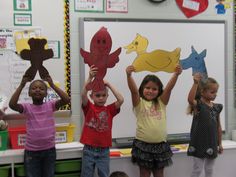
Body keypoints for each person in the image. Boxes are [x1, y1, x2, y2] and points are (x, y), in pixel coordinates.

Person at [126, 64, 182, 177]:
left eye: (154, 89)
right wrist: (128, 75)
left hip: (160, 145)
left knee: (159, 174)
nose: (150, 91)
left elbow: (169, 88)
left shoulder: (161, 102)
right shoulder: (139, 103)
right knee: (144, 174)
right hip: (143, 145)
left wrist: (176, 74)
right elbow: (134, 92)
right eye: (147, 88)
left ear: (159, 91)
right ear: (142, 89)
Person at [8, 75, 70, 177]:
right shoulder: (27, 107)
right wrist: (21, 85)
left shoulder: (51, 105)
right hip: (31, 153)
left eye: (41, 88)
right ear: (29, 93)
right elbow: (12, 105)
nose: (37, 90)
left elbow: (66, 99)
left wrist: (52, 85)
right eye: (34, 88)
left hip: (49, 151)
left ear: (46, 93)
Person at [80, 65, 124, 177]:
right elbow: (83, 94)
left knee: (104, 174)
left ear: (107, 96)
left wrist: (108, 84)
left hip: (104, 151)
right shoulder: (89, 107)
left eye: (104, 95)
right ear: (92, 96)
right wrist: (90, 78)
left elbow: (121, 99)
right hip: (89, 150)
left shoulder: (109, 109)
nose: (101, 98)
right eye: (97, 95)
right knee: (86, 175)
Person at [187, 73, 223, 177]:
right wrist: (195, 83)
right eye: (212, 92)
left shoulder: (217, 107)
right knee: (197, 169)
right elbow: (190, 99)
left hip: (211, 143)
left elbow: (218, 127)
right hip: (198, 142)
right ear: (202, 92)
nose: (215, 94)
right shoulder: (199, 105)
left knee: (209, 169)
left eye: (216, 92)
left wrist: (219, 143)